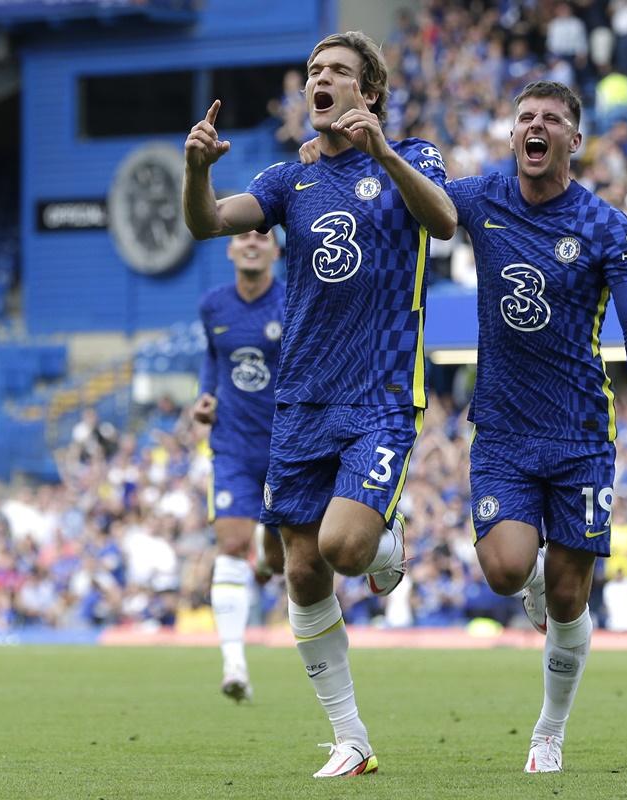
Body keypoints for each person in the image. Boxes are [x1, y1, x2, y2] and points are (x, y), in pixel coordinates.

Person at [182, 31, 456, 778]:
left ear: (368, 90)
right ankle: (352, 739)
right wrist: (195, 171)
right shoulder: (285, 181)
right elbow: (207, 222)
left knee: (343, 547)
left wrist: (384, 154)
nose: (320, 80)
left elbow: (444, 223)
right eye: (313, 73)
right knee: (301, 572)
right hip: (298, 402)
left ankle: (387, 539)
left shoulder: (417, 157)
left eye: (337, 71)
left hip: (379, 392)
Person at [445, 80, 627, 773]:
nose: (534, 128)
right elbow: (413, 203)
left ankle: (549, 730)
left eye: (550, 120)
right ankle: (530, 582)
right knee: (507, 569)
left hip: (579, 434)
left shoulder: (606, 225)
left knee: (569, 597)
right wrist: (341, 154)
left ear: (574, 139)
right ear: (513, 135)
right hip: (505, 431)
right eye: (524, 119)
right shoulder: (481, 199)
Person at [191, 228, 287, 702]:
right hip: (230, 444)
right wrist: (204, 396)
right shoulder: (213, 305)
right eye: (243, 236)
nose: (251, 241)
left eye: (262, 235)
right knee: (229, 544)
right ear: (229, 249)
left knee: (276, 557)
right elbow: (213, 357)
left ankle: (267, 564)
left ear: (275, 250)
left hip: (286, 450)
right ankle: (234, 664)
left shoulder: (293, 302)